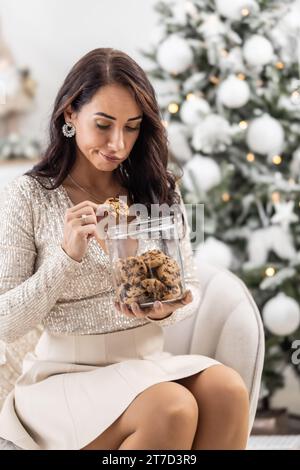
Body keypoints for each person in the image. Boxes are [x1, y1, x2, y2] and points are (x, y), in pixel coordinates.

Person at [0, 48, 249, 450]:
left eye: (132, 127)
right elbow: (5, 322)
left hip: (144, 362)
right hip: (64, 377)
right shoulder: (27, 197)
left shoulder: (156, 190)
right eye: (103, 124)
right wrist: (66, 257)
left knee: (227, 390)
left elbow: (188, 287)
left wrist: (166, 306)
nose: (117, 143)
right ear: (69, 115)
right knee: (172, 408)